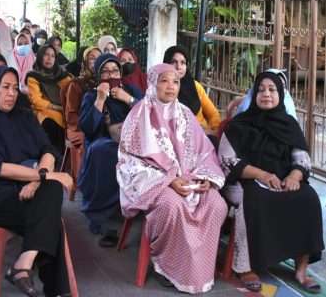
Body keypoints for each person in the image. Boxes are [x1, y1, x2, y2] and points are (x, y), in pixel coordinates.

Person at [0, 66, 73, 297]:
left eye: (14, 87)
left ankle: (24, 264)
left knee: (48, 204)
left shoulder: (23, 116)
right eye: (5, 87)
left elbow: (48, 149)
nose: (12, 93)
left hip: (27, 187)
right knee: (49, 218)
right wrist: (46, 176)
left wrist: (38, 180)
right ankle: (57, 291)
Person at [118, 63, 227, 293]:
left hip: (189, 178)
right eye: (164, 81)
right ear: (153, 83)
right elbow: (129, 161)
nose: (170, 87)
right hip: (155, 182)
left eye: (175, 82)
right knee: (172, 205)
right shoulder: (139, 115)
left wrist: (205, 176)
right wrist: (168, 181)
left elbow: (204, 151)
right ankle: (166, 266)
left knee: (217, 204)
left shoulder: (186, 114)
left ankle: (199, 267)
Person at [218, 71, 324, 293]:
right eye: (261, 89)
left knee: (308, 198)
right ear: (254, 94)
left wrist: (295, 176)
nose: (266, 94)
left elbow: (302, 158)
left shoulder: (289, 124)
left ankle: (301, 270)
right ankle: (245, 267)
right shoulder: (239, 125)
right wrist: (262, 175)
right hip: (246, 180)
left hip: (282, 179)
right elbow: (228, 160)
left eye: (272, 89)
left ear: (281, 93)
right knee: (254, 200)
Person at [78, 53, 144, 246]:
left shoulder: (131, 89)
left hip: (134, 142)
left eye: (114, 70)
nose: (110, 75)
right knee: (105, 153)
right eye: (105, 72)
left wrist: (129, 99)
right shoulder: (90, 96)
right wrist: (100, 99)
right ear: (99, 76)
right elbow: (88, 129)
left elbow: (150, 114)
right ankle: (103, 219)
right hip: (102, 141)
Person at [163, 46, 221, 136]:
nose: (179, 67)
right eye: (173, 62)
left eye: (183, 63)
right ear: (166, 64)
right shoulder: (161, 89)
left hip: (204, 136)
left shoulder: (196, 87)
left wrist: (215, 130)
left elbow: (213, 113)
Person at [63, 47, 101, 185]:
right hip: (77, 128)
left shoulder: (104, 82)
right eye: (92, 58)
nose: (96, 61)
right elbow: (71, 115)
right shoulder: (76, 84)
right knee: (89, 142)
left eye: (99, 58)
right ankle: (86, 183)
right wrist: (88, 126)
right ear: (85, 61)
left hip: (97, 126)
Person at [26, 45, 72, 151]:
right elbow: (36, 101)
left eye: (52, 56)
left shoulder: (61, 73)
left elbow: (72, 89)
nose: (49, 58)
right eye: (46, 55)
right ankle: (52, 153)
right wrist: (57, 108)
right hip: (45, 109)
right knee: (50, 118)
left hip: (66, 108)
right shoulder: (33, 76)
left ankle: (66, 152)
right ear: (40, 56)